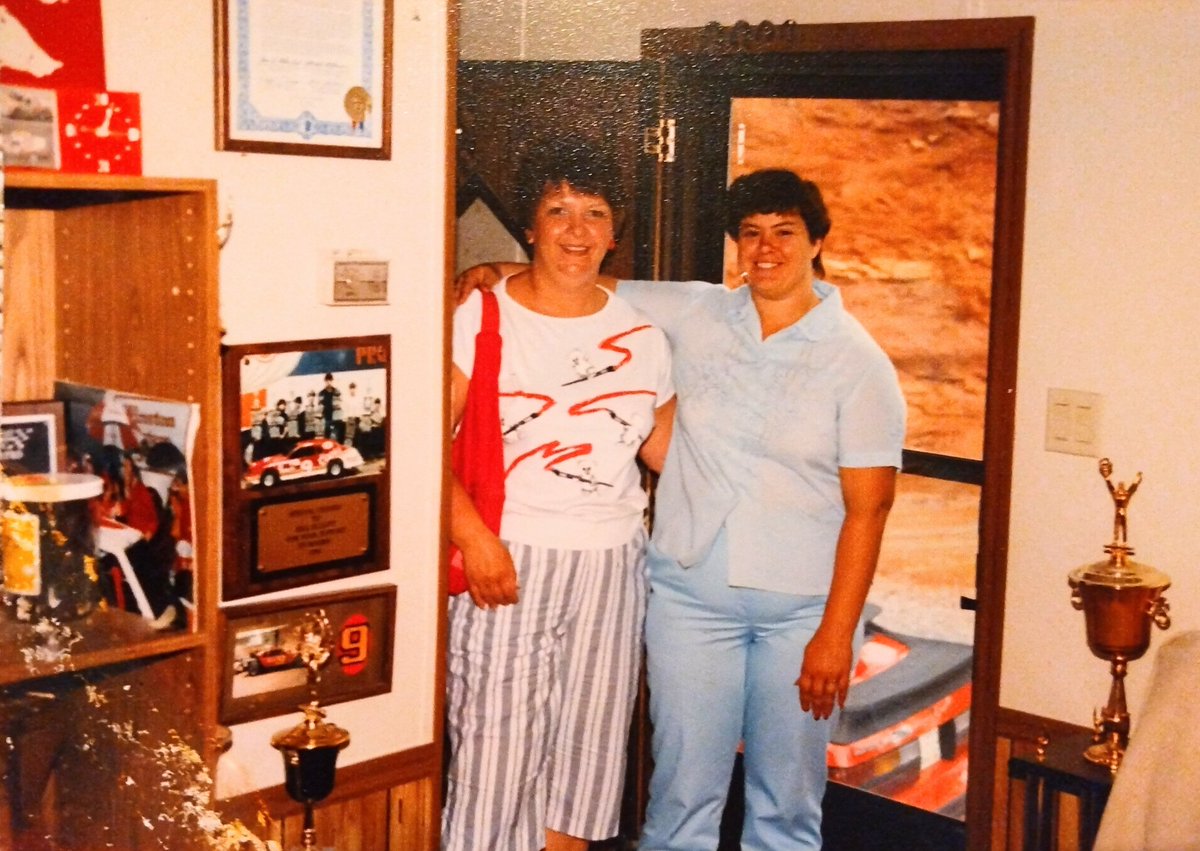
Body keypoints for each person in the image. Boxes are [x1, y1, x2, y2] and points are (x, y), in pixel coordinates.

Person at [459, 168, 906, 850]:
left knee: (785, 804)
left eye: (785, 232)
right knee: (680, 796)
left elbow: (868, 512)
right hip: (690, 603)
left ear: (818, 242)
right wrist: (493, 270)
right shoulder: (699, 310)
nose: (766, 248)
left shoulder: (859, 363)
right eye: (750, 232)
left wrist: (836, 632)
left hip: (800, 613)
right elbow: (582, 278)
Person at [443, 136, 675, 851]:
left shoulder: (643, 334)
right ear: (530, 226)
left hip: (612, 565)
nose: (577, 230)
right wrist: (474, 537)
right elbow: (421, 439)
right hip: (509, 556)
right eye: (558, 210)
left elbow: (670, 454)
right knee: (493, 757)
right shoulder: (480, 315)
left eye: (594, 213)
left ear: (614, 233)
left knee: (586, 759)